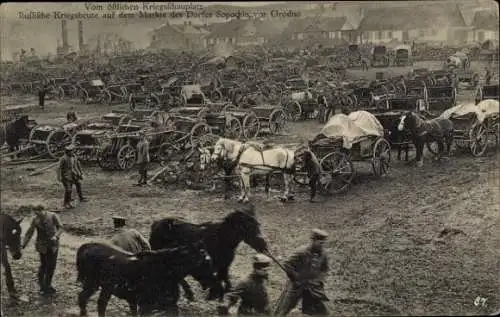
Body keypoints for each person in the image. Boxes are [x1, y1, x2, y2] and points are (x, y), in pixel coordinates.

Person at [275, 229, 330, 316]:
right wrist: (295, 277)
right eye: (319, 242)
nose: (321, 245)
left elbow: (324, 269)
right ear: (313, 240)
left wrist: (319, 280)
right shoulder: (301, 251)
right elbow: (287, 264)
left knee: (322, 311)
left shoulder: (323, 254)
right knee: (284, 309)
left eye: (323, 243)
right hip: (297, 285)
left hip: (312, 287)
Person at [22, 206, 64, 295]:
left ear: (43, 210)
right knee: (44, 265)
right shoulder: (35, 220)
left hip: (53, 245)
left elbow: (61, 227)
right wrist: (23, 245)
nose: (37, 215)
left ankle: (48, 285)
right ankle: (42, 286)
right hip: (42, 246)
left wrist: (56, 236)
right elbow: (29, 232)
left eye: (38, 212)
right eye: (35, 213)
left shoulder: (53, 215)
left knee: (51, 266)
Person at [57, 144, 87, 209]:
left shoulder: (74, 156)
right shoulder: (63, 158)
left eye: (73, 151)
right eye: (71, 151)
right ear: (67, 152)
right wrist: (59, 177)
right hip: (66, 176)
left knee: (78, 184)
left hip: (74, 174)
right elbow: (59, 168)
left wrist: (80, 173)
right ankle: (66, 203)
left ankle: (81, 197)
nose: (72, 152)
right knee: (68, 190)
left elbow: (78, 164)